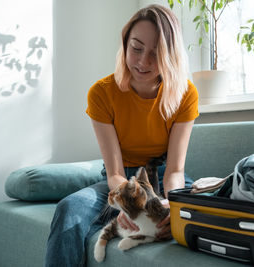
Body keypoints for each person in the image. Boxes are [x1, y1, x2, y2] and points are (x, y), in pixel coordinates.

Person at [45, 4, 199, 267]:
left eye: (156, 53)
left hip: (163, 174)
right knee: (69, 208)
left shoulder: (186, 93)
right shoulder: (101, 93)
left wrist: (172, 209)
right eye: (136, 48)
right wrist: (132, 207)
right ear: (125, 44)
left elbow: (174, 171)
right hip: (121, 178)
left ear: (170, 55)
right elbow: (114, 171)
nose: (143, 61)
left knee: (192, 212)